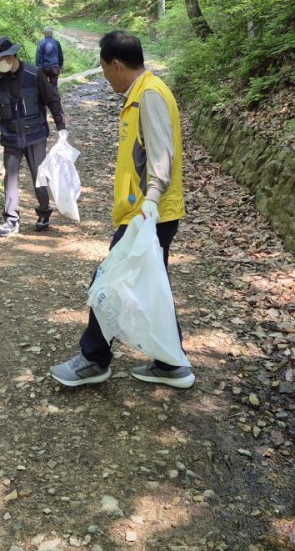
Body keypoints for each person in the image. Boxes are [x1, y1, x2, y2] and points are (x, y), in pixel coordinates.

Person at [50, 31, 194, 389]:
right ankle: (171, 364)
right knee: (150, 285)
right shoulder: (140, 94)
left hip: (150, 213)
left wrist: (151, 200)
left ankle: (94, 359)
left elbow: (162, 153)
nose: (105, 76)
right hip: (149, 211)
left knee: (108, 280)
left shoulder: (149, 95)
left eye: (103, 69)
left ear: (115, 64)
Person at [0, 36, 66, 237]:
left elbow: (52, 100)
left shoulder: (34, 74)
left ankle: (44, 213)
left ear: (11, 56)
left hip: (35, 133)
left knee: (39, 174)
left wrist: (61, 126)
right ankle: (11, 220)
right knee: (10, 177)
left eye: (0, 59)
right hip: (11, 136)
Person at [35, 26, 64, 91]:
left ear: (44, 33)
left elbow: (38, 56)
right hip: (54, 68)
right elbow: (60, 55)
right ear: (52, 34)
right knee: (54, 87)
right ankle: (55, 99)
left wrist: (38, 67)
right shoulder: (57, 42)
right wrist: (60, 66)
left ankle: (45, 99)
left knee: (43, 86)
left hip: (44, 68)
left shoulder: (41, 42)